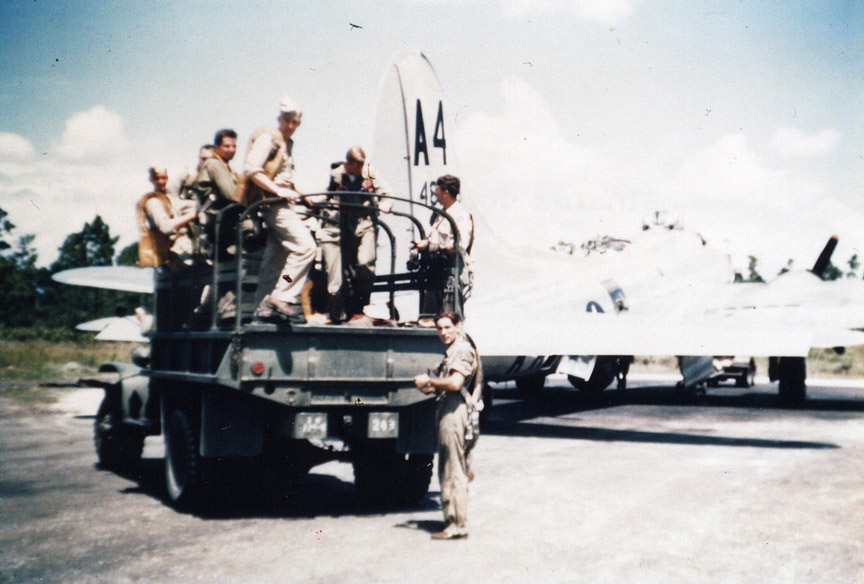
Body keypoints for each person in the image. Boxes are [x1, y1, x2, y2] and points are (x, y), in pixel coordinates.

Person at [243, 97, 316, 322]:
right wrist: (278, 191)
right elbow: (251, 169)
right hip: (274, 205)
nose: (290, 126)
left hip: (283, 203)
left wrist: (299, 192)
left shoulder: (287, 143)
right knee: (306, 248)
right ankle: (282, 295)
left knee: (276, 262)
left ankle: (262, 308)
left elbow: (284, 176)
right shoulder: (270, 138)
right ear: (279, 120)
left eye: (295, 122)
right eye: (287, 121)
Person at [413, 311, 480, 540]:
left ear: (458, 326)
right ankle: (454, 519)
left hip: (454, 412)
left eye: (447, 327)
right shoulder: (452, 351)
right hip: (448, 408)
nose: (443, 332)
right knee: (451, 467)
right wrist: (430, 387)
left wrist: (430, 381)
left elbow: (455, 382)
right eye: (439, 328)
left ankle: (456, 525)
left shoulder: (462, 350)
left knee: (453, 470)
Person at [319, 146, 392, 320]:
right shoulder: (337, 175)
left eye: (361, 164)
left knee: (365, 262)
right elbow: (329, 195)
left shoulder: (369, 172)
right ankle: (351, 310)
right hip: (344, 224)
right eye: (356, 165)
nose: (359, 168)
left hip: (365, 222)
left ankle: (363, 303)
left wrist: (385, 204)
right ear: (348, 164)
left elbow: (387, 193)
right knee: (347, 269)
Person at [414, 175, 474, 315]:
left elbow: (459, 246)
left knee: (450, 316)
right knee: (429, 316)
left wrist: (433, 247)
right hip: (435, 272)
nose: (435, 193)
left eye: (437, 190)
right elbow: (435, 238)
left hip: (450, 273)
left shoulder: (460, 215)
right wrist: (425, 243)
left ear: (445, 192)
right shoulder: (440, 215)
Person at [136, 166, 198, 267]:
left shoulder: (170, 197)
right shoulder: (153, 202)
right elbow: (166, 227)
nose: (161, 182)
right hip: (174, 254)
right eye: (157, 178)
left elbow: (185, 175)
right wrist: (191, 215)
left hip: (187, 248)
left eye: (164, 178)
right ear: (151, 180)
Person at [196, 129, 238, 204]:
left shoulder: (228, 168)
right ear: (216, 148)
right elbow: (232, 195)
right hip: (216, 212)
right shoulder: (213, 164)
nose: (231, 150)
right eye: (227, 146)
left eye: (234, 146)